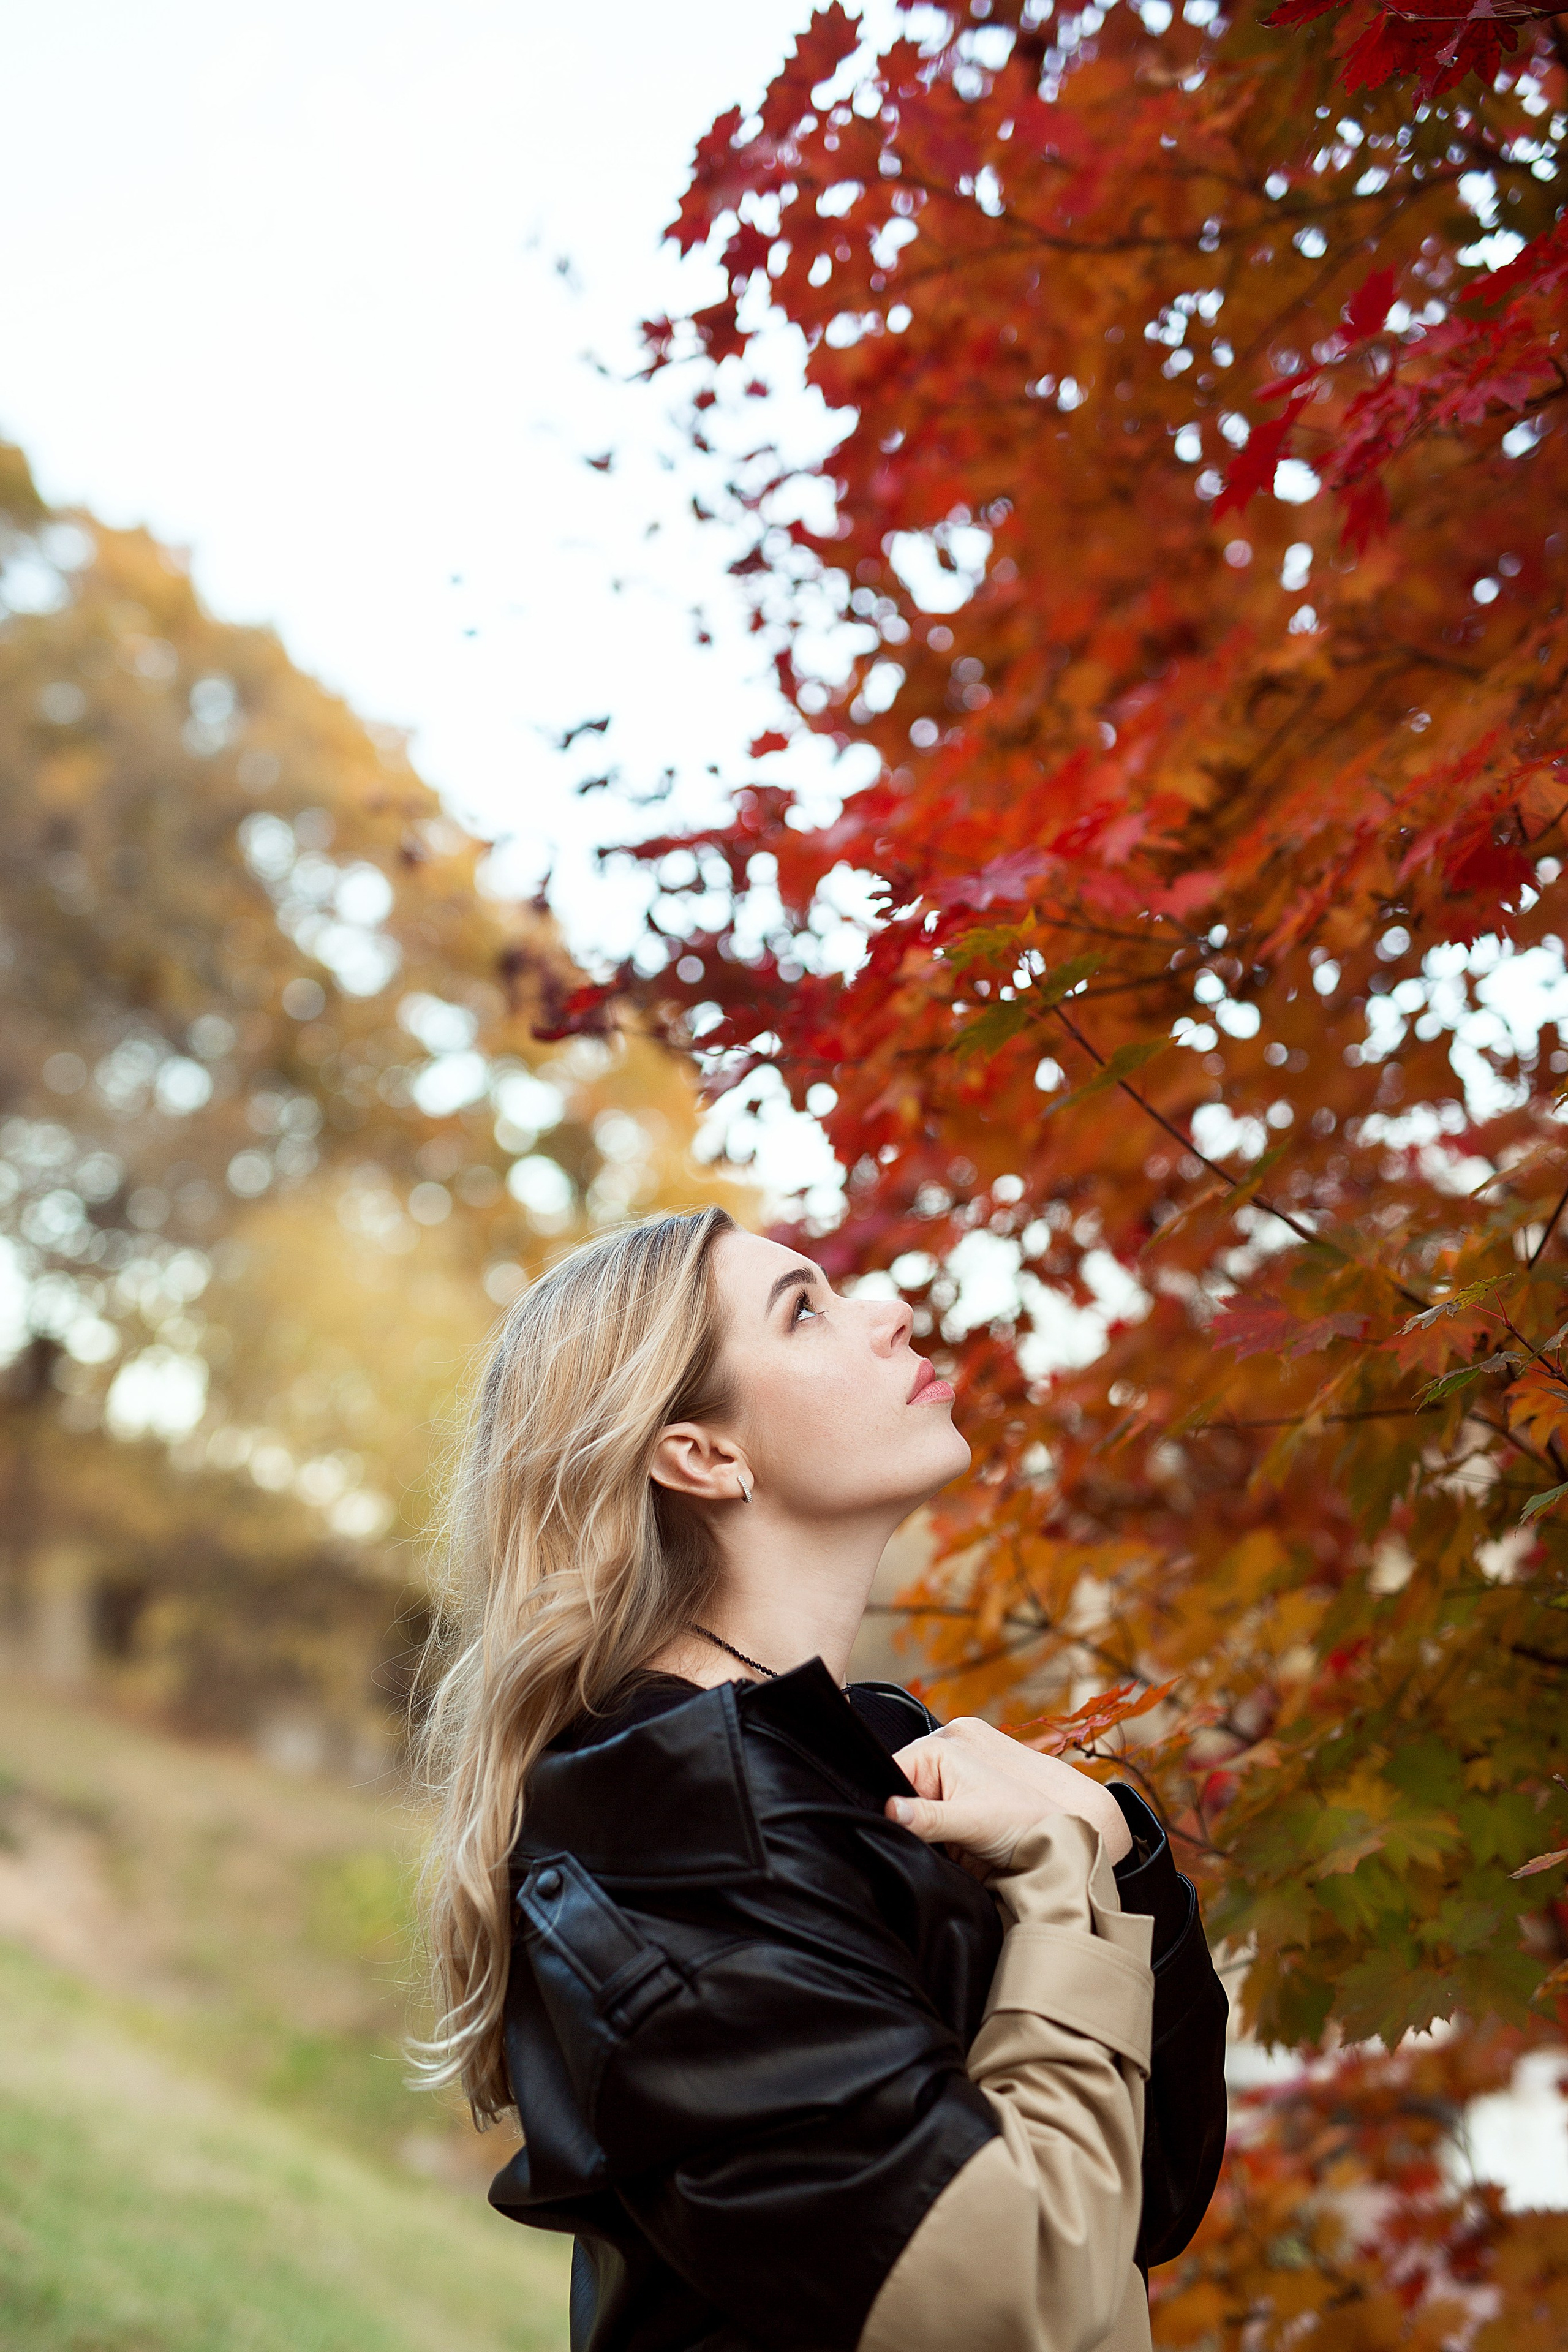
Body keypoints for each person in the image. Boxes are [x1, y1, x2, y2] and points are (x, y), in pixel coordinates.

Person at [417, 1206, 1227, 2352]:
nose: (894, 1311)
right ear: (702, 1453)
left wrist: (1115, 1847)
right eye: (806, 1310)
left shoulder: (849, 1755)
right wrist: (1061, 1877)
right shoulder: (671, 1819)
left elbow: (1142, 2202)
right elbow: (1016, 2302)